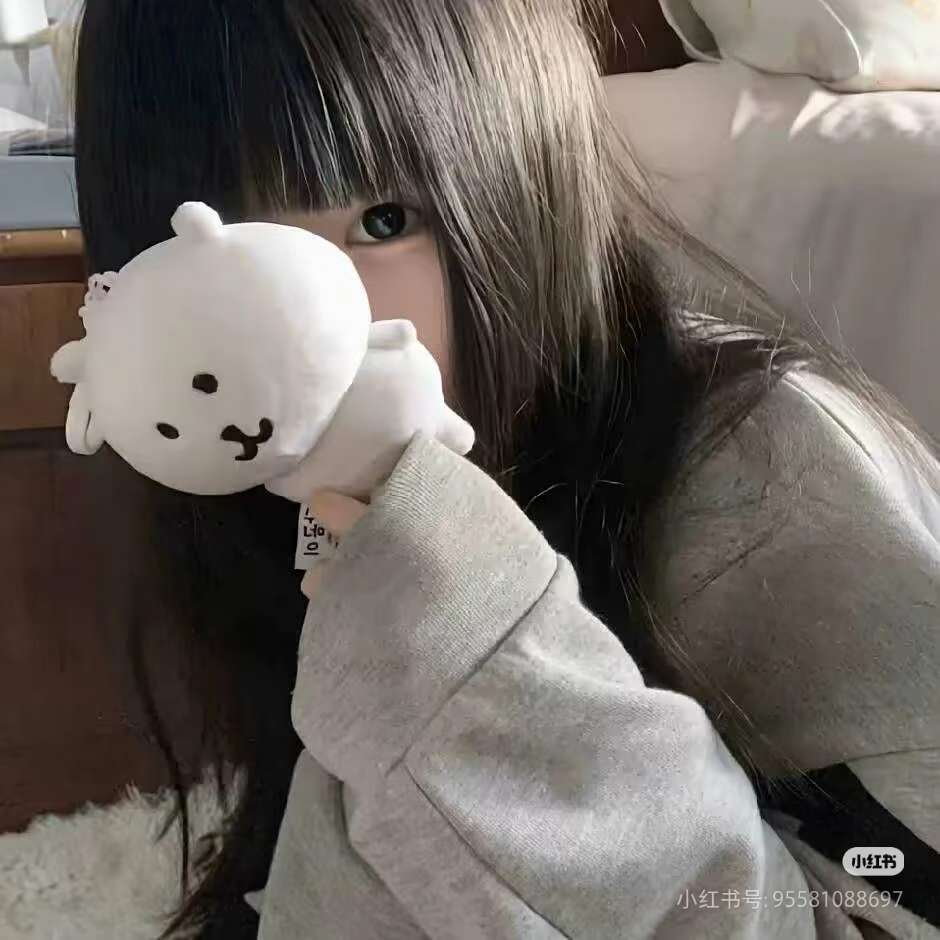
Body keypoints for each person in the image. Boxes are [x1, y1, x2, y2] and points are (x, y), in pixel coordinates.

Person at [54, 0, 940, 937]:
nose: (308, 327)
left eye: (382, 220)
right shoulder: (256, 489)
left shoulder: (767, 475)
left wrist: (476, 650)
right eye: (236, 249)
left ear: (526, 179)